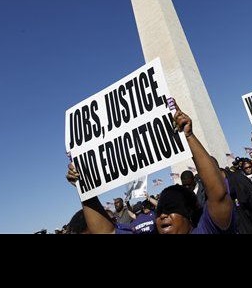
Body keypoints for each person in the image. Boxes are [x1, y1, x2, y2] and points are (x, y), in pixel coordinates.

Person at [65, 100, 235, 234]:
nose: (162, 215)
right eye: (159, 210)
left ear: (191, 213)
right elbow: (104, 232)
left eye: (172, 208)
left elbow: (218, 194)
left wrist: (188, 136)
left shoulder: (207, 229)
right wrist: (84, 185)